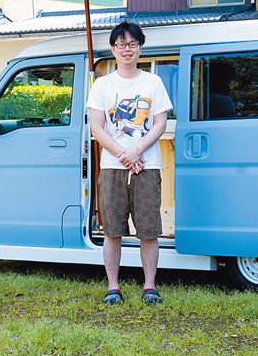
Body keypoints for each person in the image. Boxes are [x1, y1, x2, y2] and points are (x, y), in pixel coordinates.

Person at [87, 21, 172, 306]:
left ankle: (150, 286)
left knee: (148, 230)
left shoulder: (153, 82)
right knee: (113, 230)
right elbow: (97, 128)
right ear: (113, 49)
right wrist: (124, 154)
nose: (127, 49)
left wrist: (136, 151)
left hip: (147, 166)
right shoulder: (102, 84)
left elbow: (160, 123)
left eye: (132, 44)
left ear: (140, 48)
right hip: (112, 167)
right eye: (121, 44)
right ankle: (113, 287)